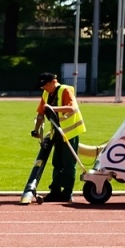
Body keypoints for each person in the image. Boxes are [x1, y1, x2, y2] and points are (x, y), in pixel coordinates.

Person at [34, 71, 85, 203]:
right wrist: (36, 130)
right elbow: (41, 112)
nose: (44, 88)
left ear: (53, 82)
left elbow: (72, 108)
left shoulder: (65, 90)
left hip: (70, 133)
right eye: (42, 86)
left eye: (45, 85)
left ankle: (67, 193)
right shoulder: (46, 93)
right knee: (57, 163)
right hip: (56, 133)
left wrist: (52, 108)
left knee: (68, 165)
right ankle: (55, 191)